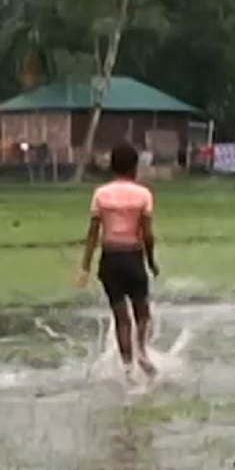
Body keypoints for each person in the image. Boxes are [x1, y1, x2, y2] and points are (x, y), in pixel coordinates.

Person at [78, 143, 159, 379]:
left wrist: (85, 265)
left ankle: (127, 369)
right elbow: (148, 234)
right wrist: (151, 261)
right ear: (134, 167)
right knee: (142, 314)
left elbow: (93, 233)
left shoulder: (101, 194)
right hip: (133, 257)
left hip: (110, 258)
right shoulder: (143, 194)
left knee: (121, 319)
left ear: (112, 166)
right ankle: (142, 351)